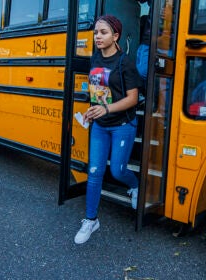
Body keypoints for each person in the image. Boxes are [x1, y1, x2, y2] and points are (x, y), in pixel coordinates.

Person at [74, 15, 142, 244]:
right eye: (96, 33)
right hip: (100, 126)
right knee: (94, 172)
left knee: (118, 171)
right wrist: (92, 111)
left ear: (115, 36)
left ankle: (134, 186)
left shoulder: (126, 62)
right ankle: (91, 220)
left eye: (103, 33)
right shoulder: (95, 58)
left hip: (123, 124)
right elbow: (97, 92)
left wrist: (106, 109)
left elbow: (133, 99)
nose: (97, 37)